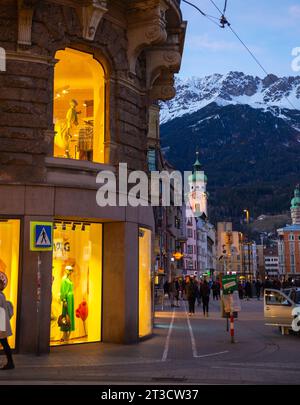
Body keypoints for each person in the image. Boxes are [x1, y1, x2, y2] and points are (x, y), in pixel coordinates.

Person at [0, 272, 14, 370]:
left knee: (4, 343)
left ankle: (10, 363)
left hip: (1, 323)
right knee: (5, 343)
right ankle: (10, 362)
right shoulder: (2, 295)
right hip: (2, 323)